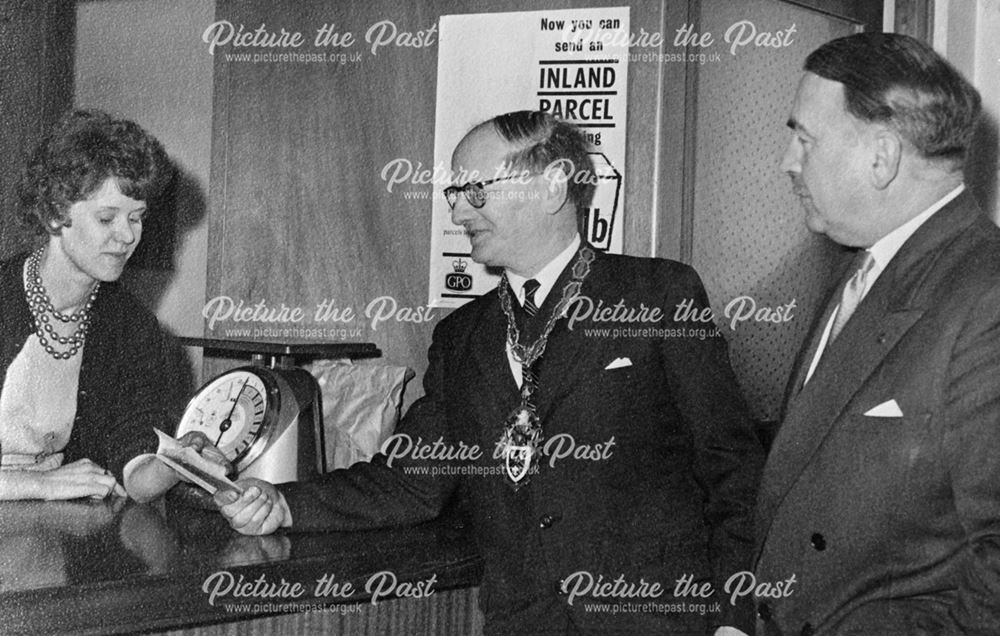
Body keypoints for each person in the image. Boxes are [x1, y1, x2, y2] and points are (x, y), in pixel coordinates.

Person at [217, 110, 764, 634]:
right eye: (455, 195)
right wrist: (284, 503)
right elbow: (410, 481)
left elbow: (733, 471)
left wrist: (733, 621)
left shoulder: (659, 295)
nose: (458, 215)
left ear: (552, 187)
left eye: (476, 192)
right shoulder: (462, 336)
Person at [755, 32, 1000, 634]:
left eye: (805, 139)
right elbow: (793, 492)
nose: (788, 161)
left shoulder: (987, 294)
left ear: (882, 155)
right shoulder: (856, 267)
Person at [0, 109, 216, 503]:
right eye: (106, 218)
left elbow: (132, 470)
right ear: (53, 213)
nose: (127, 235)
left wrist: (177, 462)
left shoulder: (130, 325)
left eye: (137, 218)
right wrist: (37, 485)